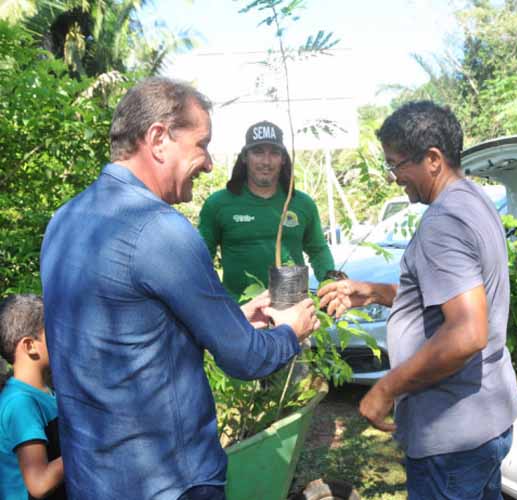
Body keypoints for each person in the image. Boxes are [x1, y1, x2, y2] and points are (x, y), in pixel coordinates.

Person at [39, 77, 319, 500]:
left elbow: (126, 335)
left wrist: (229, 320)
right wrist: (290, 330)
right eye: (202, 144)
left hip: (94, 478)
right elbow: (245, 359)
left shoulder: (64, 221)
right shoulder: (160, 230)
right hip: (169, 481)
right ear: (158, 139)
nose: (208, 163)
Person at [317, 101, 517, 500]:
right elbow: (452, 299)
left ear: (432, 158)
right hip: (485, 419)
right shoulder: (474, 200)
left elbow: (467, 332)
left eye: (397, 165)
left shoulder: (444, 221)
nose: (394, 179)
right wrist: (376, 292)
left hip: (451, 434)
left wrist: (386, 389)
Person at [198, 121, 335, 300]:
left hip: (292, 310)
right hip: (240, 317)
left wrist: (330, 283)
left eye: (274, 153)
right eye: (258, 152)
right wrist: (217, 300)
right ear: (245, 157)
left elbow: (318, 250)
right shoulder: (218, 204)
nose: (266, 161)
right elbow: (201, 259)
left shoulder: (302, 204)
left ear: (283, 158)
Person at [0, 294, 65, 500]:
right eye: (53, 331)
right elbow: (39, 483)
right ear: (29, 346)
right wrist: (88, 446)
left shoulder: (46, 391)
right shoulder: (21, 403)